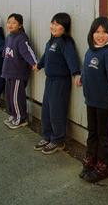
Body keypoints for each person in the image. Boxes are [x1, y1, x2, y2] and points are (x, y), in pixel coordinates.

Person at [80, 16, 108, 183]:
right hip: (90, 100)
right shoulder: (90, 51)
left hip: (105, 103)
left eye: (105, 32)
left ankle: (102, 167)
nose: (100, 35)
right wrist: (81, 77)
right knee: (92, 133)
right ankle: (90, 161)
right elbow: (87, 69)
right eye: (97, 32)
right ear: (92, 33)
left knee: (103, 135)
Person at [34, 13, 81, 154]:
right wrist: (39, 65)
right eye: (52, 23)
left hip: (61, 81)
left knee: (57, 110)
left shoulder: (66, 42)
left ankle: (58, 140)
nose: (53, 26)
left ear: (65, 27)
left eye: (57, 24)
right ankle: (47, 136)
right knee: (46, 109)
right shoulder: (52, 41)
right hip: (50, 80)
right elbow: (46, 55)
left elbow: (72, 59)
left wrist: (76, 73)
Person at [2, 13, 37, 129]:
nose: (10, 25)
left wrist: (33, 63)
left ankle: (21, 118)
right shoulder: (9, 37)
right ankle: (13, 114)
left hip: (18, 74)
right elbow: (5, 53)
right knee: (9, 96)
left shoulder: (21, 38)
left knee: (17, 97)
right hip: (8, 72)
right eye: (9, 22)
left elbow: (27, 52)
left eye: (14, 23)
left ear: (20, 25)